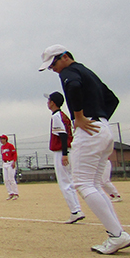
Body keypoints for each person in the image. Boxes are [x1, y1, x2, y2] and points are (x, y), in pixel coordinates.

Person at [40, 44, 130, 254]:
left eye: (53, 64)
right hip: (102, 128)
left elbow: (73, 87)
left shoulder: (69, 72)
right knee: (95, 184)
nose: (53, 69)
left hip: (89, 129)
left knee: (82, 183)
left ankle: (117, 235)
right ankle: (117, 233)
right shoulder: (87, 71)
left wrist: (80, 116)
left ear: (65, 57)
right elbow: (112, 99)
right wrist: (101, 120)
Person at [45, 92, 84, 224]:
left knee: (64, 182)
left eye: (49, 100)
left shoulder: (56, 116)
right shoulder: (63, 115)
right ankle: (77, 209)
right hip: (67, 150)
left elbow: (62, 135)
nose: (47, 103)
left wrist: (64, 154)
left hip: (62, 151)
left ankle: (75, 211)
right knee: (69, 181)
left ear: (53, 103)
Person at [0, 135, 19, 200]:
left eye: (2, 139)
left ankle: (16, 193)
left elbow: (14, 154)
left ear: (5, 139)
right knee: (6, 179)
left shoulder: (10, 146)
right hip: (5, 163)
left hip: (10, 163)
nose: (1, 140)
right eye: (0, 139)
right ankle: (10, 193)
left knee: (11, 179)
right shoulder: (2, 147)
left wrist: (14, 162)